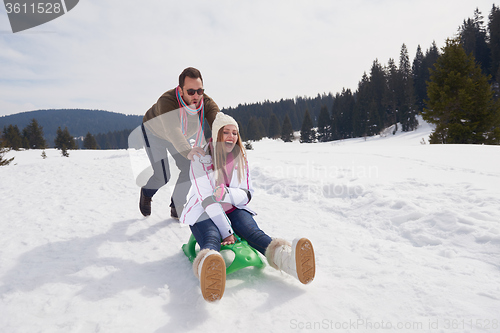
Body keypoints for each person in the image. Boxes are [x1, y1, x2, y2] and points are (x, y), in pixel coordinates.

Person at [179, 112, 316, 302]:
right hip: (204, 211)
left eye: (235, 133)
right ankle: (209, 269)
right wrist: (227, 232)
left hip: (233, 207)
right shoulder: (200, 159)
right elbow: (207, 201)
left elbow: (247, 193)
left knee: (253, 232)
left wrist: (227, 194)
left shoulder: (239, 158)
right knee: (212, 237)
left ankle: (288, 261)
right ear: (217, 134)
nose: (231, 137)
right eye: (226, 132)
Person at [140, 67, 219, 218]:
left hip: (178, 135)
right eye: (190, 91)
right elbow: (172, 130)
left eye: (200, 91)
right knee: (162, 176)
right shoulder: (167, 101)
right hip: (154, 133)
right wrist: (188, 151)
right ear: (181, 90)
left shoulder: (205, 102)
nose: (196, 95)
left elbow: (220, 124)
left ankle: (177, 205)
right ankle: (146, 192)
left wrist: (230, 145)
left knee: (190, 167)